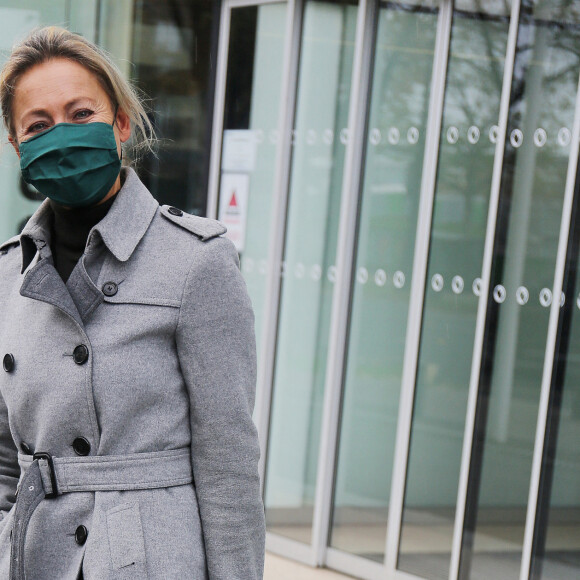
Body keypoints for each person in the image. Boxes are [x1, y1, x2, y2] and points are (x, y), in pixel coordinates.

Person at [0, 26, 265, 579]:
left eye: (81, 114)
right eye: (39, 125)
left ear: (120, 123)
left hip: (150, 559)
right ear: (17, 145)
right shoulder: (6, 272)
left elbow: (228, 465)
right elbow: (3, 459)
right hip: (33, 558)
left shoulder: (197, 260)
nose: (63, 136)